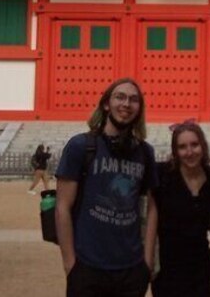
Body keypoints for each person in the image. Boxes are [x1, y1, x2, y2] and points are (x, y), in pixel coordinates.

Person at [55, 77, 158, 297]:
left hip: (131, 267)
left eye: (133, 100)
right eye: (119, 97)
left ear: (139, 109)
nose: (126, 104)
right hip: (87, 266)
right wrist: (70, 265)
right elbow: (62, 207)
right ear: (105, 104)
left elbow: (152, 207)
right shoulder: (81, 147)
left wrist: (147, 261)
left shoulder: (145, 153)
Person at [146, 120, 210, 297]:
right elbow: (151, 216)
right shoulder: (162, 176)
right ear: (175, 151)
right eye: (182, 147)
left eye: (194, 145)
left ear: (203, 146)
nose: (189, 152)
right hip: (168, 270)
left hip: (202, 270)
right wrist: (148, 259)